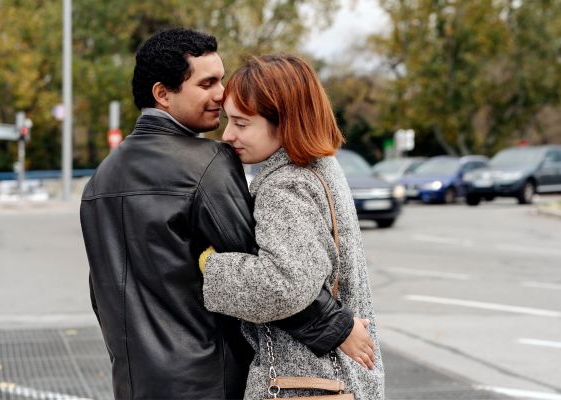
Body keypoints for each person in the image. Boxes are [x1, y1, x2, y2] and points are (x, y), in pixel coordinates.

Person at [80, 28, 371, 399]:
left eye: (220, 79)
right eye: (207, 83)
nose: (221, 93)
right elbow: (266, 271)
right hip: (210, 381)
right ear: (163, 94)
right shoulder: (206, 164)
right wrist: (336, 327)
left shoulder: (100, 180)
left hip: (134, 383)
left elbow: (102, 293)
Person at [200, 54, 384, 399]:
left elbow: (283, 286)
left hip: (302, 383)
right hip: (341, 378)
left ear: (285, 122)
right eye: (228, 120)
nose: (227, 134)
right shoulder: (322, 168)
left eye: (241, 123)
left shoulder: (286, 185)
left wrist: (209, 265)